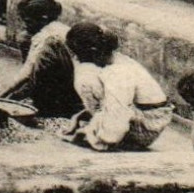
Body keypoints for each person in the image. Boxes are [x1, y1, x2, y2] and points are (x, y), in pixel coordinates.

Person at [64, 23, 173, 151]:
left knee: (86, 80)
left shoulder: (117, 72)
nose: (77, 58)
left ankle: (107, 132)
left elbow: (118, 112)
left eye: (79, 55)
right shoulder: (115, 60)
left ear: (93, 52)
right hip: (142, 114)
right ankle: (103, 125)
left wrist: (98, 137)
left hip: (148, 126)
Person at [0, 0, 77, 115]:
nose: (24, 25)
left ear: (43, 18)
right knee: (24, 37)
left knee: (30, 46)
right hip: (67, 79)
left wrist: (0, 97)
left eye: (28, 21)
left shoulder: (46, 37)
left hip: (68, 87)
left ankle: (48, 104)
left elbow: (27, 72)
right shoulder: (58, 27)